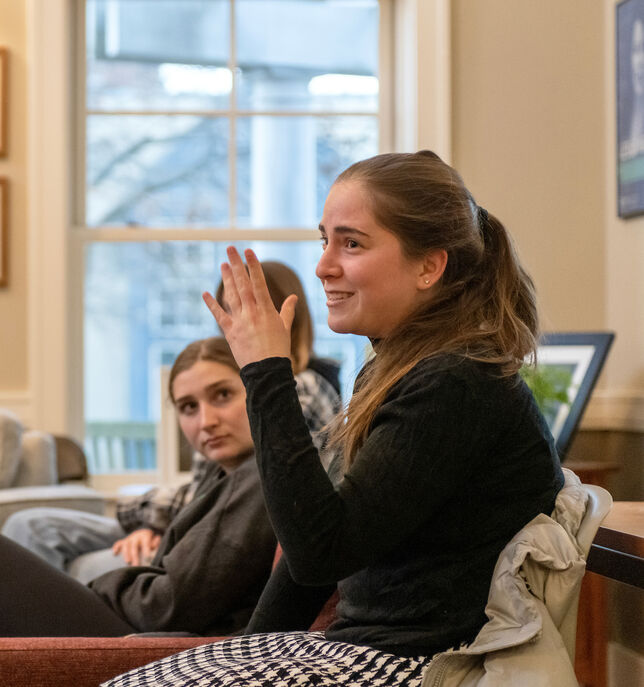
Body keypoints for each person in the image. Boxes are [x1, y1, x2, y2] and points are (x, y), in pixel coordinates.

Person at [107, 151, 564, 686]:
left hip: (416, 666)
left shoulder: (455, 383)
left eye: (351, 243)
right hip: (356, 647)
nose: (323, 265)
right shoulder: (401, 372)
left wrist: (265, 371)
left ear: (429, 266)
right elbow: (311, 568)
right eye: (324, 240)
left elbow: (319, 554)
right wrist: (249, 654)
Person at [0, 337, 278, 685]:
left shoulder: (263, 474)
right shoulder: (222, 478)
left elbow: (169, 605)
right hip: (138, 631)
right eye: (188, 407)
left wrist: (103, 584)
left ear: (254, 389)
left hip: (157, 652)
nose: (206, 420)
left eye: (222, 395)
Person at [1, 261, 340, 583]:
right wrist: (155, 526)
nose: (236, 324)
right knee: (31, 526)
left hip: (219, 540)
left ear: (288, 316)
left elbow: (253, 497)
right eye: (228, 311)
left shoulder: (298, 388)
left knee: (82, 566)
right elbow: (200, 494)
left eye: (252, 309)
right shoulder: (228, 382)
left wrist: (149, 514)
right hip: (187, 523)